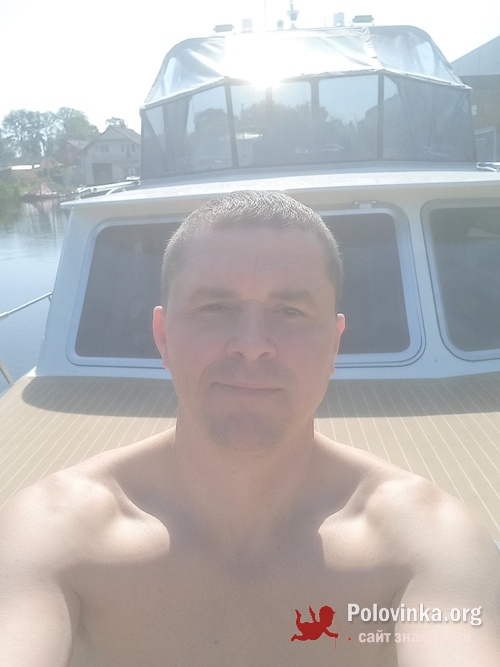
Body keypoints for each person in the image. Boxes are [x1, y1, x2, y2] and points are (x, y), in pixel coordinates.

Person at [0, 190, 499, 667]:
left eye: (290, 311)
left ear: (334, 345)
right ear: (163, 336)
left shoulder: (422, 543)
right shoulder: (58, 533)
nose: (252, 344)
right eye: (215, 307)